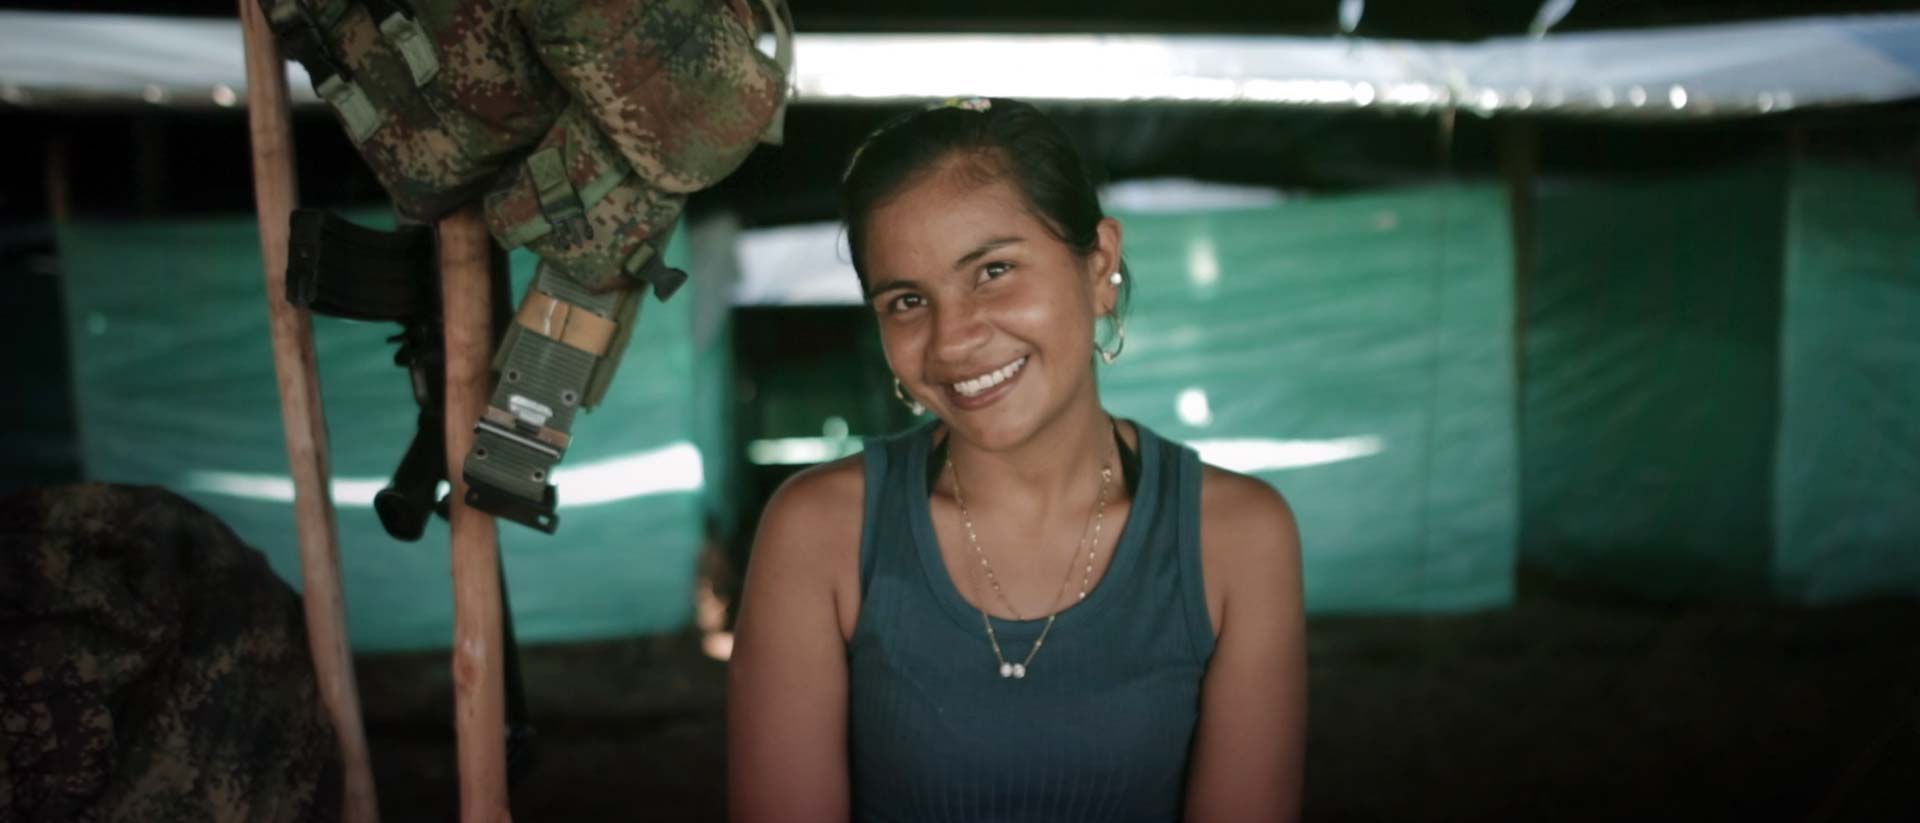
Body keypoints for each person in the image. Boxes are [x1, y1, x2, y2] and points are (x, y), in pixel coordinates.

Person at [728, 97, 1306, 822]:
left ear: (1100, 265)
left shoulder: (1236, 539)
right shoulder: (820, 534)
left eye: (994, 269)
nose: (952, 340)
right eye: (907, 300)